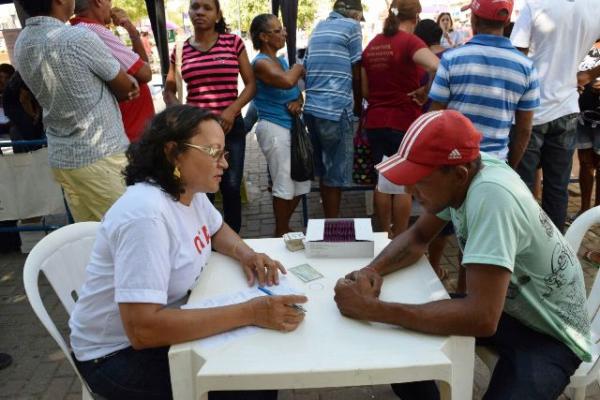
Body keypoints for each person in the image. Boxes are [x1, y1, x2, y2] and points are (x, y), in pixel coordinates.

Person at [334, 110, 592, 400]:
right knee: (399, 353)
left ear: (458, 174)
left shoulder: (492, 196)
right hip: (508, 309)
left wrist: (372, 309)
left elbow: (481, 318)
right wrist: (372, 271)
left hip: (551, 334)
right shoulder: (468, 173)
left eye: (419, 179)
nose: (408, 189)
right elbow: (418, 238)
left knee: (393, 322)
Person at [69, 105, 307, 400]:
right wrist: (250, 312)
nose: (224, 164)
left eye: (225, 153)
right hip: (115, 357)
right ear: (173, 153)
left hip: (155, 328)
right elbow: (142, 330)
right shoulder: (147, 216)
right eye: (213, 152)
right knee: (247, 383)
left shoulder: (188, 192)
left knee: (257, 366)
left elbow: (217, 230)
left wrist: (246, 254)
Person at [14, 0, 139, 223]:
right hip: (101, 157)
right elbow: (126, 87)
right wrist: (128, 84)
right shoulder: (78, 38)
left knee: (92, 238)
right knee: (128, 231)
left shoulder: (22, 42)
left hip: (63, 158)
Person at [163, 0, 256, 233]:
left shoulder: (233, 43)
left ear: (217, 15)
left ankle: (234, 237)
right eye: (195, 7)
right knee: (202, 189)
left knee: (231, 187)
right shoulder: (181, 49)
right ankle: (205, 239)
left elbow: (251, 85)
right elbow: (169, 90)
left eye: (207, 8)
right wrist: (184, 116)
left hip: (230, 128)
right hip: (196, 134)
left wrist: (232, 110)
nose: (200, 12)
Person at [510, 0, 600, 232]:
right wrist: (588, 75)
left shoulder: (535, 4)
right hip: (567, 108)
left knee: (523, 187)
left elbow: (517, 58)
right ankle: (555, 254)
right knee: (557, 188)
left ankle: (525, 247)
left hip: (530, 111)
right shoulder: (594, 7)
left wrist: (589, 74)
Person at [429, 0, 539, 169]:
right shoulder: (526, 67)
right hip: (496, 164)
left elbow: (435, 117)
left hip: (454, 163)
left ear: (474, 19)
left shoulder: (451, 59)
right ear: (507, 21)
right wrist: (509, 167)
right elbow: (524, 130)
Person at [361, 0, 439, 238]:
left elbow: (365, 91)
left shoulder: (372, 45)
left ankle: (384, 236)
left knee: (382, 182)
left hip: (375, 122)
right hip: (403, 121)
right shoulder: (409, 42)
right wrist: (425, 92)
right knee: (403, 185)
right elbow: (438, 66)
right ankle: (401, 239)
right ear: (416, 17)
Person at [249, 14, 310, 237]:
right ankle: (281, 229)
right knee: (284, 183)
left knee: (301, 183)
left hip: (291, 128)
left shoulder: (281, 61)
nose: (284, 33)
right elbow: (287, 81)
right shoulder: (261, 63)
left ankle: (282, 226)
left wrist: (297, 102)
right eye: (278, 30)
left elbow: (295, 92)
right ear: (264, 37)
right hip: (274, 128)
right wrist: (299, 66)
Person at [303, 0, 363, 218]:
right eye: (359, 17)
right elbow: (357, 72)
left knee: (325, 171)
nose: (359, 22)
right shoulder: (352, 27)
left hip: (311, 109)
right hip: (335, 109)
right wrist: (359, 108)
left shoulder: (318, 27)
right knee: (335, 175)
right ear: (353, 14)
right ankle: (332, 224)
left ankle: (328, 218)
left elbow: (306, 67)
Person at [71, 1, 155, 143]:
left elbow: (139, 67)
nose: (111, 5)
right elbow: (145, 73)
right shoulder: (95, 31)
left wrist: (132, 31)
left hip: (127, 132)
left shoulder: (80, 29)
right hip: (131, 135)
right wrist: (132, 31)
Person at [574, 41, 600, 218]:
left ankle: (597, 212)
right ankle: (584, 210)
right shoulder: (582, 43)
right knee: (585, 162)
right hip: (583, 113)